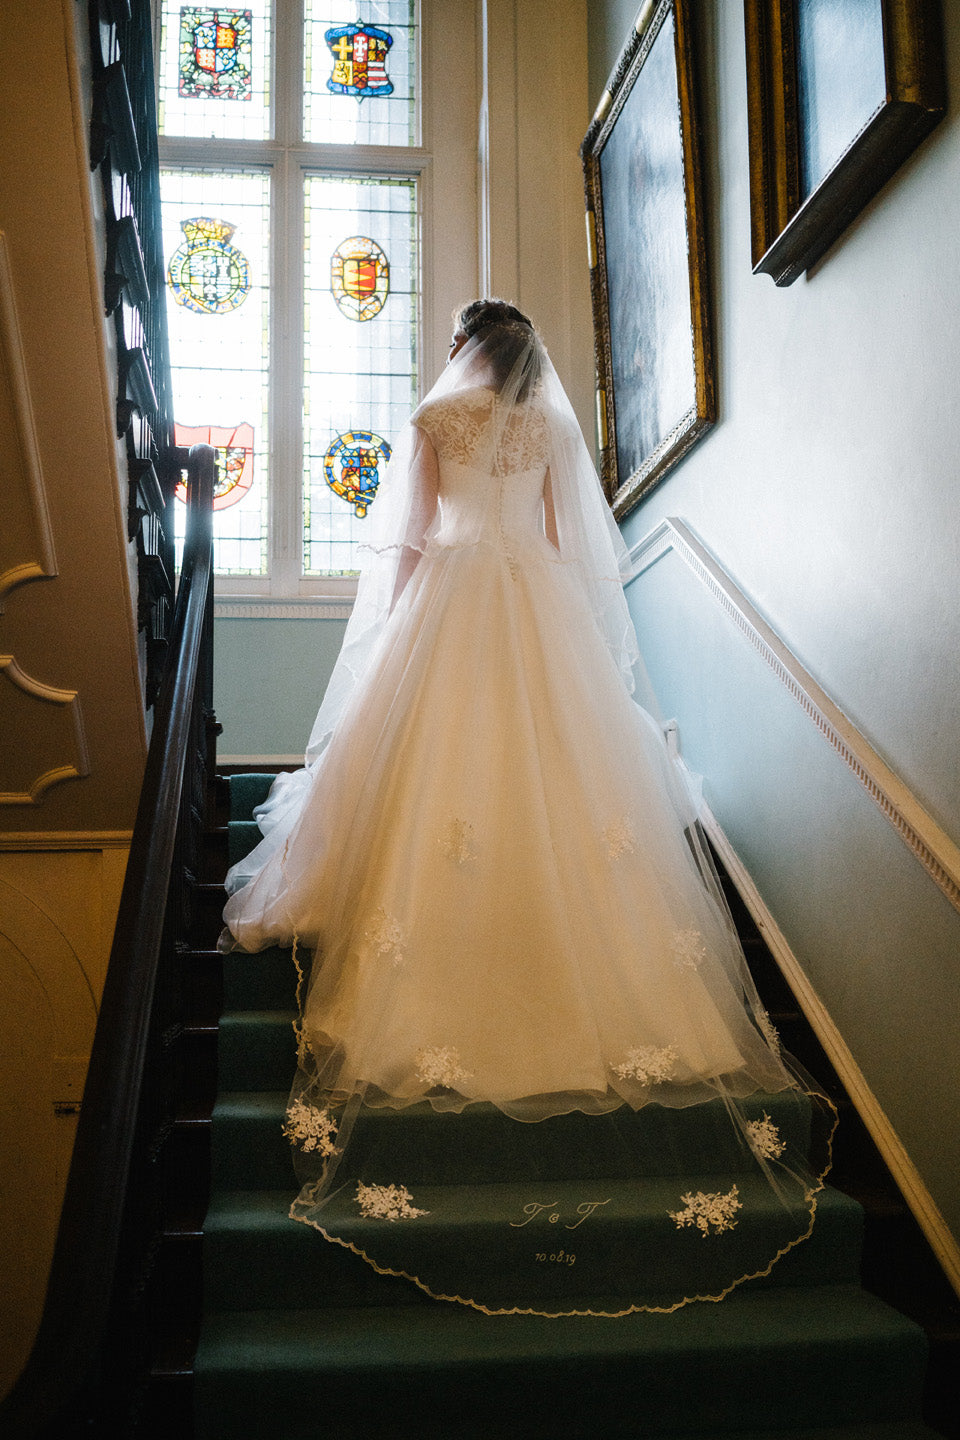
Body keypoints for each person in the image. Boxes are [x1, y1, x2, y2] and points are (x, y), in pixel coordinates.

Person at [221, 300, 833, 1315]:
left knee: (432, 779)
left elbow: (409, 544)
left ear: (465, 349)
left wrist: (389, 650)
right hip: (533, 607)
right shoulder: (548, 427)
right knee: (558, 783)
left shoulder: (431, 423)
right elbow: (561, 543)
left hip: (453, 599)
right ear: (526, 356)